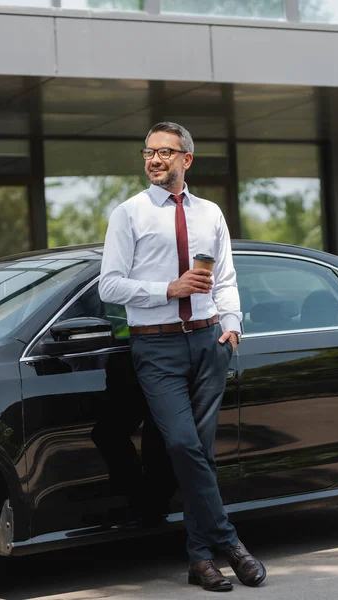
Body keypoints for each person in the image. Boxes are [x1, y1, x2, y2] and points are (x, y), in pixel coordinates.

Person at [98, 121, 266, 592]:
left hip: (209, 342)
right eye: (149, 151)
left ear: (186, 160)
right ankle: (231, 543)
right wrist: (166, 289)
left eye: (165, 153)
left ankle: (200, 560)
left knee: (202, 455)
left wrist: (231, 327)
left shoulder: (210, 213)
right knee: (181, 446)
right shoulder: (127, 214)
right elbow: (108, 284)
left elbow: (227, 276)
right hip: (157, 345)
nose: (154, 160)